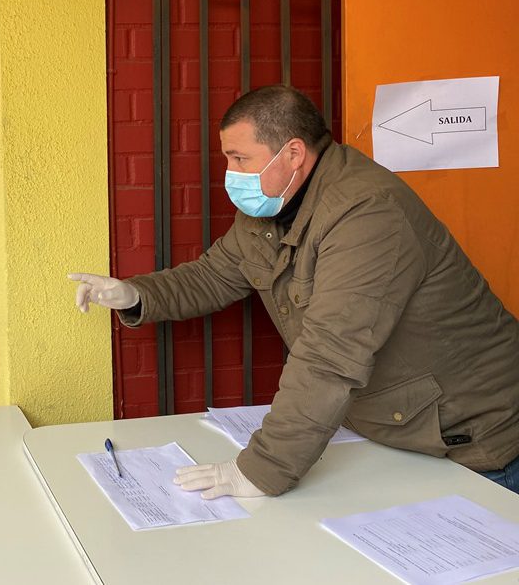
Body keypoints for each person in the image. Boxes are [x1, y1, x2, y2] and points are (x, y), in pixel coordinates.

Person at [70, 85, 519, 499]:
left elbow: (331, 353)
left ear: (293, 153)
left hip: (481, 441)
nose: (230, 174)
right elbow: (214, 274)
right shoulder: (273, 206)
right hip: (406, 434)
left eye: (240, 159)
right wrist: (134, 294)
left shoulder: (368, 214)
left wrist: (260, 470)